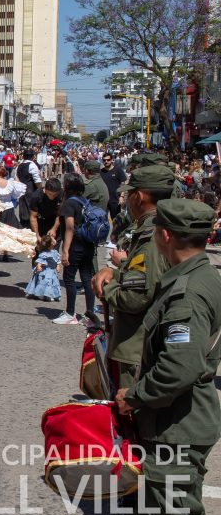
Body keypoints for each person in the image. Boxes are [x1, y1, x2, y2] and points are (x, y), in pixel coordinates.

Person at [114, 199, 221, 515]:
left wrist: (134, 396)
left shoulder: (186, 294)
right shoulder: (204, 276)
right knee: (163, 509)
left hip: (177, 424)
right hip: (180, 418)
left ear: (164, 235)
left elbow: (180, 366)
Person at [93, 165, 173, 390]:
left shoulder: (152, 236)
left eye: (129, 194)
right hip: (145, 343)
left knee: (132, 416)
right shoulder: (163, 227)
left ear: (139, 196)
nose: (126, 199)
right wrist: (117, 272)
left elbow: (134, 297)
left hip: (138, 346)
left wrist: (106, 286)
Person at [54, 173, 96, 325]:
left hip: (75, 245)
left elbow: (70, 228)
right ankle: (89, 315)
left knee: (69, 279)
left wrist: (65, 250)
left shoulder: (69, 203)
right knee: (86, 278)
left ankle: (70, 313)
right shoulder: (84, 201)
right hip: (88, 244)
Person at [24, 235, 62, 301]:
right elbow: (40, 261)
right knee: (44, 282)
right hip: (45, 271)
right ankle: (40, 294)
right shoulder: (44, 254)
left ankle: (50, 294)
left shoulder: (55, 252)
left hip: (52, 271)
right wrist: (39, 266)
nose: (55, 240)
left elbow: (57, 260)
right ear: (51, 244)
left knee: (52, 282)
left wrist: (58, 265)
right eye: (53, 240)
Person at [99, 152, 127, 219]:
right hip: (104, 200)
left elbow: (123, 183)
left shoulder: (118, 170)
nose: (106, 161)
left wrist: (122, 196)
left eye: (108, 160)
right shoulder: (100, 171)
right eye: (104, 160)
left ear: (111, 160)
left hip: (115, 199)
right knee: (103, 220)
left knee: (115, 220)